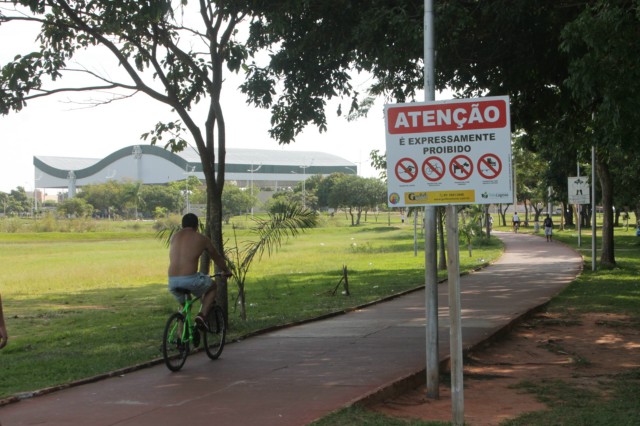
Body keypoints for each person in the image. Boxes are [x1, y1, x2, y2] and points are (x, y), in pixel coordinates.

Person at [168, 213, 232, 329]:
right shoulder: (202, 239)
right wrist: (226, 270)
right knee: (212, 287)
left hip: (172, 281)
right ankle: (201, 316)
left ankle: (180, 341)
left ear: (182, 225)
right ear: (196, 226)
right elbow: (216, 257)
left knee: (184, 307)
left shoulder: (174, 237)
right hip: (189, 280)